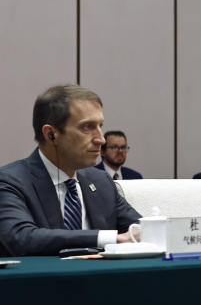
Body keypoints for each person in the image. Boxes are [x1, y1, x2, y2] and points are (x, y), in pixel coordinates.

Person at [0, 85, 141, 256]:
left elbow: (140, 228)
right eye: (87, 127)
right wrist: (111, 239)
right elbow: (21, 238)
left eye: (100, 126)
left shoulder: (100, 181)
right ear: (51, 134)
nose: (101, 139)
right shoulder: (11, 181)